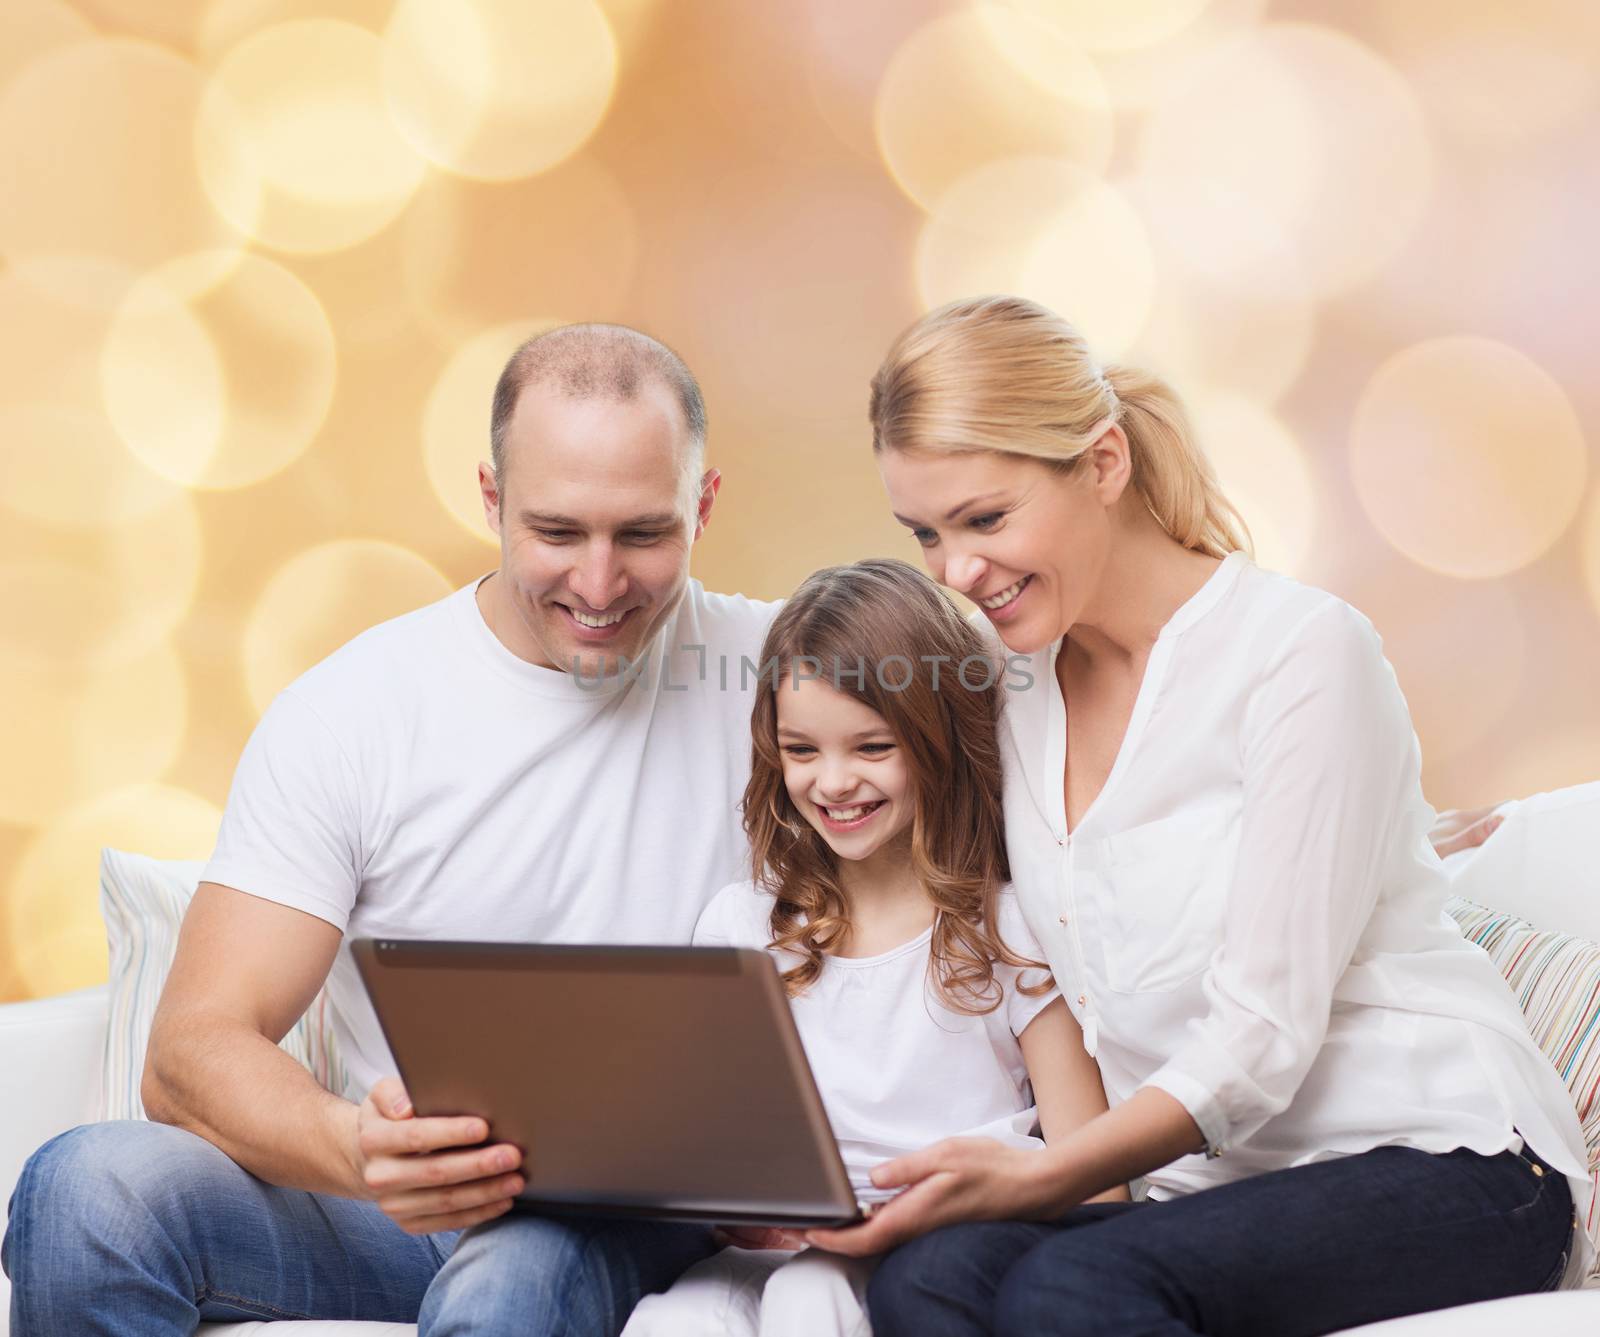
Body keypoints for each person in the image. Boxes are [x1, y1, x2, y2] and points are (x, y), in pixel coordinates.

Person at [803, 296, 1594, 1335]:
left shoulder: (1301, 652)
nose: (954, 571)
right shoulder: (1010, 695)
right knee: (928, 1278)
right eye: (927, 532)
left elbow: (1259, 1038)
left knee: (1071, 1286)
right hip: (1203, 1197)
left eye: (985, 519)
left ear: (1102, 464)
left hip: (1451, 1163)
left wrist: (1036, 1177)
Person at [1, 325, 782, 1335]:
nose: (598, 584)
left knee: (508, 1280)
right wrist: (360, 1150)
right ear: (491, 501)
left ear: (703, 505)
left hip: (642, 1214)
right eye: (555, 533)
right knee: (86, 1190)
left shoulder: (787, 680)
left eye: (641, 534)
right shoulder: (359, 708)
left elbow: (1007, 691)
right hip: (392, 1209)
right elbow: (190, 1049)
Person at [625, 558, 1125, 1337]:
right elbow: (705, 1143)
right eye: (801, 750)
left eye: (870, 747)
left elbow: (1097, 1182)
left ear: (936, 739)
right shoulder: (743, 927)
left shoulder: (1007, 929)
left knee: (810, 1298)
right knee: (673, 1320)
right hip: (770, 1251)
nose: (832, 781)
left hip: (928, 1257)